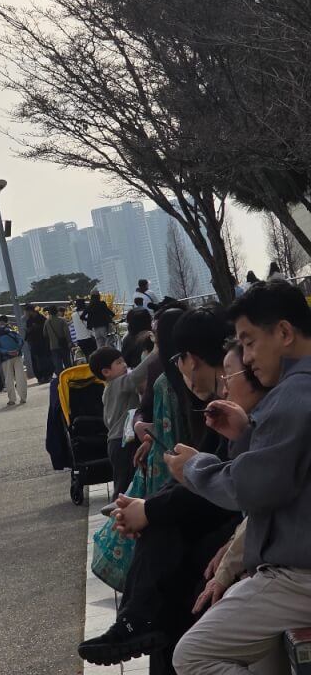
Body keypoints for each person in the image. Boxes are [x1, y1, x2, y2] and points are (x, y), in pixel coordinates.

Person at [80, 307, 241, 668]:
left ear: (188, 358)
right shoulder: (230, 404)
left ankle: (134, 620)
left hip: (252, 533)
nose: (230, 379)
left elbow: (231, 484)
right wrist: (148, 507)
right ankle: (135, 620)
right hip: (234, 521)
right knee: (163, 536)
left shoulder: (257, 403)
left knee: (165, 542)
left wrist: (149, 510)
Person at [170, 281, 311, 675]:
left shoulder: (292, 396)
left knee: (191, 655)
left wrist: (193, 468)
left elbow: (249, 490)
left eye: (249, 343)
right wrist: (247, 433)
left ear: (284, 332)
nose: (246, 358)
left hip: (298, 578)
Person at [89, 346, 149, 499]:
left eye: (123, 361)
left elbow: (106, 420)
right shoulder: (119, 383)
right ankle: (117, 509)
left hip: (115, 442)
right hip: (123, 442)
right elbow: (136, 376)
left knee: (124, 480)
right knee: (125, 484)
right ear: (106, 372)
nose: (124, 365)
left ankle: (121, 506)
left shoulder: (108, 390)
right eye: (118, 362)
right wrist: (155, 353)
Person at [0, 315, 27, 406]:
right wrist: (17, 350)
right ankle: (23, 398)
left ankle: (12, 399)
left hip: (5, 358)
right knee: (20, 376)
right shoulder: (11, 330)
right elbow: (20, 340)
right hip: (17, 355)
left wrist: (7, 352)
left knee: (8, 379)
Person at [24, 304, 53, 383]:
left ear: (30, 311)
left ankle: (48, 375)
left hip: (43, 342)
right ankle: (40, 377)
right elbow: (28, 331)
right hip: (34, 344)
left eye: (26, 311)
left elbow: (46, 330)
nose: (25, 313)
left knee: (45, 359)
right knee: (36, 361)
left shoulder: (41, 318)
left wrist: (35, 328)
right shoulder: (29, 320)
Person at [43, 305, 73, 375]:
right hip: (64, 345)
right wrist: (69, 342)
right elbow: (67, 332)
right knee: (67, 362)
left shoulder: (47, 322)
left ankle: (60, 378)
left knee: (58, 365)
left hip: (53, 346)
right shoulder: (62, 320)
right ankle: (69, 377)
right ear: (57, 312)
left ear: (49, 313)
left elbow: (44, 334)